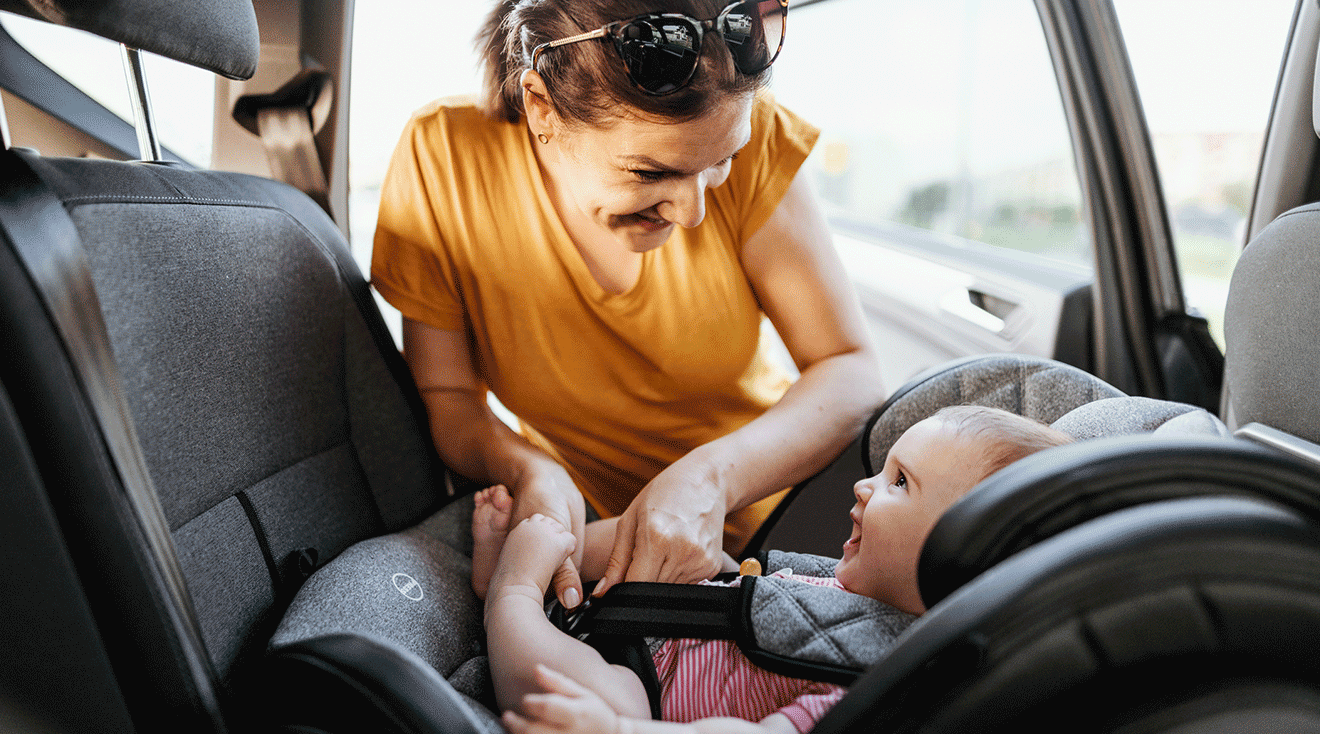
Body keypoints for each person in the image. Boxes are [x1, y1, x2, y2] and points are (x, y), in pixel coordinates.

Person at [371, 0, 884, 611]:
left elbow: (849, 368)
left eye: (722, 162)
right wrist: (531, 472)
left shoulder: (762, 135)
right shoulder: (445, 158)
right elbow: (450, 401)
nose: (693, 212)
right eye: (649, 173)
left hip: (796, 524)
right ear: (542, 107)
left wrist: (712, 479)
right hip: (602, 545)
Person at [476, 405, 1075, 734]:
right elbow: (755, 600)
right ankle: (533, 557)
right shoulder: (852, 586)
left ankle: (510, 593)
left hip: (649, 697)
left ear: (961, 553)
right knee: (683, 555)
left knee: (589, 691)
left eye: (899, 483)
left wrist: (621, 732)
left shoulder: (881, 684)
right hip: (673, 623)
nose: (865, 486)